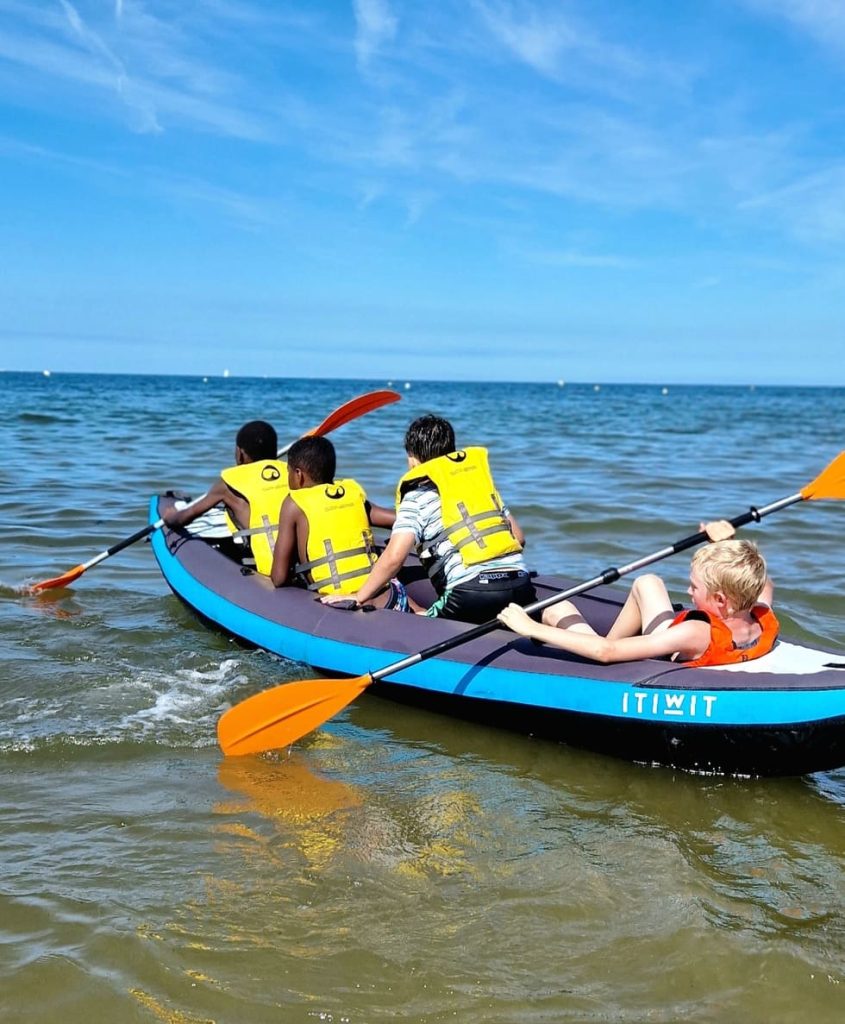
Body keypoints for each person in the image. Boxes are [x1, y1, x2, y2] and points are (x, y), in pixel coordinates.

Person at [321, 414, 535, 623]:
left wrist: (359, 596)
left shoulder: (416, 497)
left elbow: (395, 557)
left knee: (417, 618)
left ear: (413, 461)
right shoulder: (480, 488)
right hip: (520, 586)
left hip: (469, 594)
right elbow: (519, 538)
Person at [497, 522, 778, 667]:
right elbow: (765, 583)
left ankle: (571, 631)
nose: (689, 592)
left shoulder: (696, 632)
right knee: (648, 581)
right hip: (679, 639)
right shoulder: (761, 613)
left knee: (557, 609)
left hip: (668, 648)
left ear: (720, 599)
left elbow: (607, 653)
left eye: (695, 587)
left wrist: (529, 626)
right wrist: (726, 545)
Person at [270, 436, 413, 611]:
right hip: (392, 597)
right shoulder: (351, 494)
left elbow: (279, 577)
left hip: (344, 605)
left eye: (288, 472)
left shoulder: (293, 503)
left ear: (298, 475)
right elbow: (397, 518)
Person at [163, 420, 287, 576]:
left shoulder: (227, 485)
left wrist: (170, 516)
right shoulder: (292, 475)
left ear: (240, 453)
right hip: (295, 561)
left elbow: (186, 517)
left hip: (266, 565)